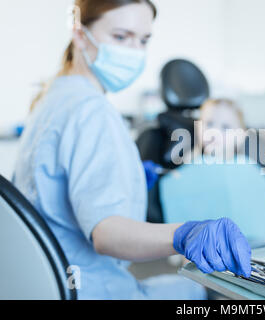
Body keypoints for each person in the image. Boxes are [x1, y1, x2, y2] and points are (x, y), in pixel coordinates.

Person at [13, 0, 251, 300]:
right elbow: (107, 234)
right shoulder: (92, 111)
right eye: (121, 37)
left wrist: (130, 177)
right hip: (89, 288)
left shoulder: (53, 97)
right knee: (223, 297)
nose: (134, 51)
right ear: (79, 34)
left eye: (144, 39)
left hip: (50, 284)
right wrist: (185, 234)